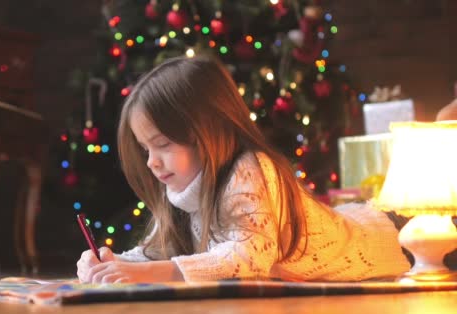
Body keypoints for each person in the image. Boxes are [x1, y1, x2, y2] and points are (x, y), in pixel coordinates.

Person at [76, 55, 410, 284]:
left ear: (208, 132)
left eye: (162, 144)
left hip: (392, 240)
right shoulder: (183, 190)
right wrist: (110, 262)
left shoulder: (250, 169)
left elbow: (248, 259)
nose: (151, 162)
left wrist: (141, 274)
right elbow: (156, 254)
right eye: (146, 149)